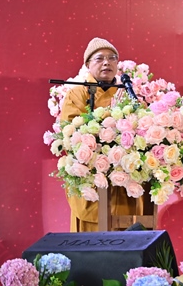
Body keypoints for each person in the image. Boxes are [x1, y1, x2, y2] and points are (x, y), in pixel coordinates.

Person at [60, 37, 138, 232]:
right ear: (88, 64)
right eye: (100, 58)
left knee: (123, 232)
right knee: (90, 236)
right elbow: (70, 134)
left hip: (121, 179)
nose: (106, 63)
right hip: (91, 176)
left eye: (112, 58)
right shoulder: (78, 93)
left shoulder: (126, 93)